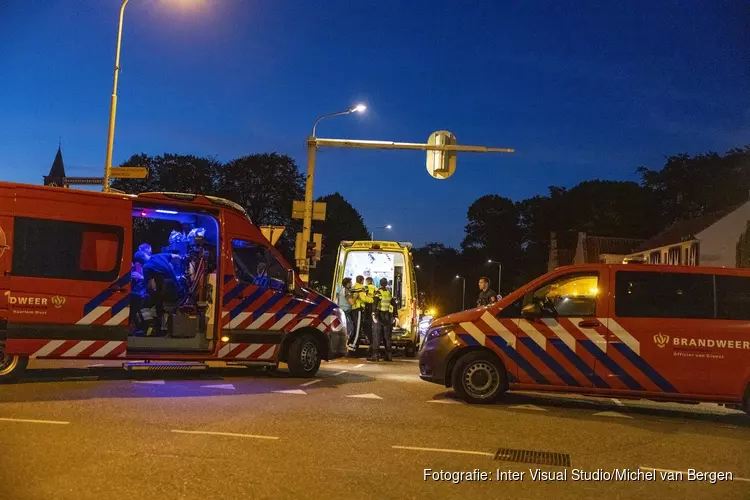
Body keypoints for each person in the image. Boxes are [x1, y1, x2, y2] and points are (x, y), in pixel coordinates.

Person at [369, 278, 394, 362]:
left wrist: (373, 314)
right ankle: (389, 356)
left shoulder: (378, 292)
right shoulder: (389, 292)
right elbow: (394, 304)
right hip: (387, 315)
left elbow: (375, 303)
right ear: (386, 284)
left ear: (379, 283)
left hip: (379, 315)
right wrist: (394, 316)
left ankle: (375, 356)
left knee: (377, 335)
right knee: (387, 337)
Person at [348, 275, 373, 355]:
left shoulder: (353, 286)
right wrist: (372, 299)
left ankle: (353, 347)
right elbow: (363, 298)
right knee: (357, 330)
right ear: (362, 281)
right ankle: (352, 349)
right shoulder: (360, 288)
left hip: (353, 309)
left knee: (355, 329)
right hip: (358, 309)